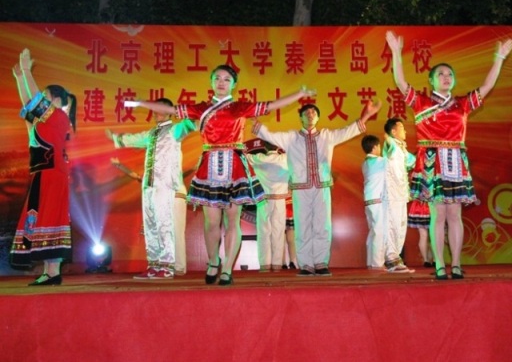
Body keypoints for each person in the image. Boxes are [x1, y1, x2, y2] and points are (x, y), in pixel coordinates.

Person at [126, 65, 315, 285]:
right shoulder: (201, 108)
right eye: (217, 78)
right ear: (211, 82)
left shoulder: (240, 107)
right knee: (211, 222)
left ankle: (227, 269)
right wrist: (140, 103)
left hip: (234, 166)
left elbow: (271, 105)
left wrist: (299, 94)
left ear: (234, 84)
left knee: (233, 220)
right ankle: (214, 260)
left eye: (226, 79)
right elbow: (171, 109)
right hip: (210, 166)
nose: (221, 82)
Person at [387, 30, 512, 280]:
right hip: (432, 162)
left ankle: (455, 263)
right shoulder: (421, 102)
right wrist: (396, 52)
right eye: (441, 74)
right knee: (438, 214)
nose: (446, 77)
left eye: (450, 75)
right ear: (431, 80)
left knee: (455, 214)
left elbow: (487, 86)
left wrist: (499, 58)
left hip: (456, 161)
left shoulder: (462, 104)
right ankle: (439, 264)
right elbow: (400, 82)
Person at [253, 100, 382, 276]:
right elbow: (270, 135)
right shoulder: (291, 138)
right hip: (301, 188)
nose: (310, 114)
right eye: (306, 112)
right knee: (302, 225)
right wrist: (256, 123)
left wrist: (366, 116)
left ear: (318, 117)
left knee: (323, 225)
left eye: (313, 112)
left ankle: (321, 262)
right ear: (300, 118)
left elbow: (347, 131)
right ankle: (306, 264)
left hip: (322, 187)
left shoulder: (327, 136)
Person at [106, 98, 196, 279]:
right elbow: (134, 139)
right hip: (149, 185)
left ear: (170, 112)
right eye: (154, 110)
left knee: (164, 224)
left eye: (160, 110)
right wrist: (116, 138)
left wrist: (188, 113)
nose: (156, 113)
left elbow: (192, 122)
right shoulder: (151, 133)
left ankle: (167, 266)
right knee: (151, 226)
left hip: (166, 185)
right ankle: (154, 265)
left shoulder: (174, 130)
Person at [10, 48, 77, 286]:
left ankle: (53, 271)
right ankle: (50, 271)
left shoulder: (58, 117)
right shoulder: (44, 121)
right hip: (42, 174)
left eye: (46, 97)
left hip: (52, 174)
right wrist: (20, 78)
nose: (42, 100)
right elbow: (29, 104)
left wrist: (27, 71)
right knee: (40, 218)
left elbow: (35, 100)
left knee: (50, 217)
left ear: (56, 100)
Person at [245, 138, 290, 272]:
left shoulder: (258, 158)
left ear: (264, 146)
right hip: (279, 199)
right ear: (278, 146)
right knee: (278, 231)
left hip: (263, 200)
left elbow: (244, 156)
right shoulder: (285, 159)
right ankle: (277, 264)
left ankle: (265, 264)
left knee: (263, 231)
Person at [382, 118, 416, 273]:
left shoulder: (402, 148)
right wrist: (388, 138)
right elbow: (389, 143)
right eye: (401, 127)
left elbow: (412, 161)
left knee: (401, 225)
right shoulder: (391, 145)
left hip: (402, 193)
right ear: (393, 131)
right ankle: (391, 259)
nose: (405, 130)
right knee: (393, 224)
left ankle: (396, 259)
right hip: (392, 193)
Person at [361, 134, 387, 269]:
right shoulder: (379, 161)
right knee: (379, 231)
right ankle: (377, 263)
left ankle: (371, 261)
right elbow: (397, 162)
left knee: (373, 231)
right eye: (379, 146)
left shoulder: (365, 163)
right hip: (377, 201)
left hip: (369, 200)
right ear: (375, 147)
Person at [407, 201, 434, 268]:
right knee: (433, 234)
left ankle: (426, 260)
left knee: (424, 235)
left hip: (419, 206)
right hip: (431, 205)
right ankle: (435, 260)